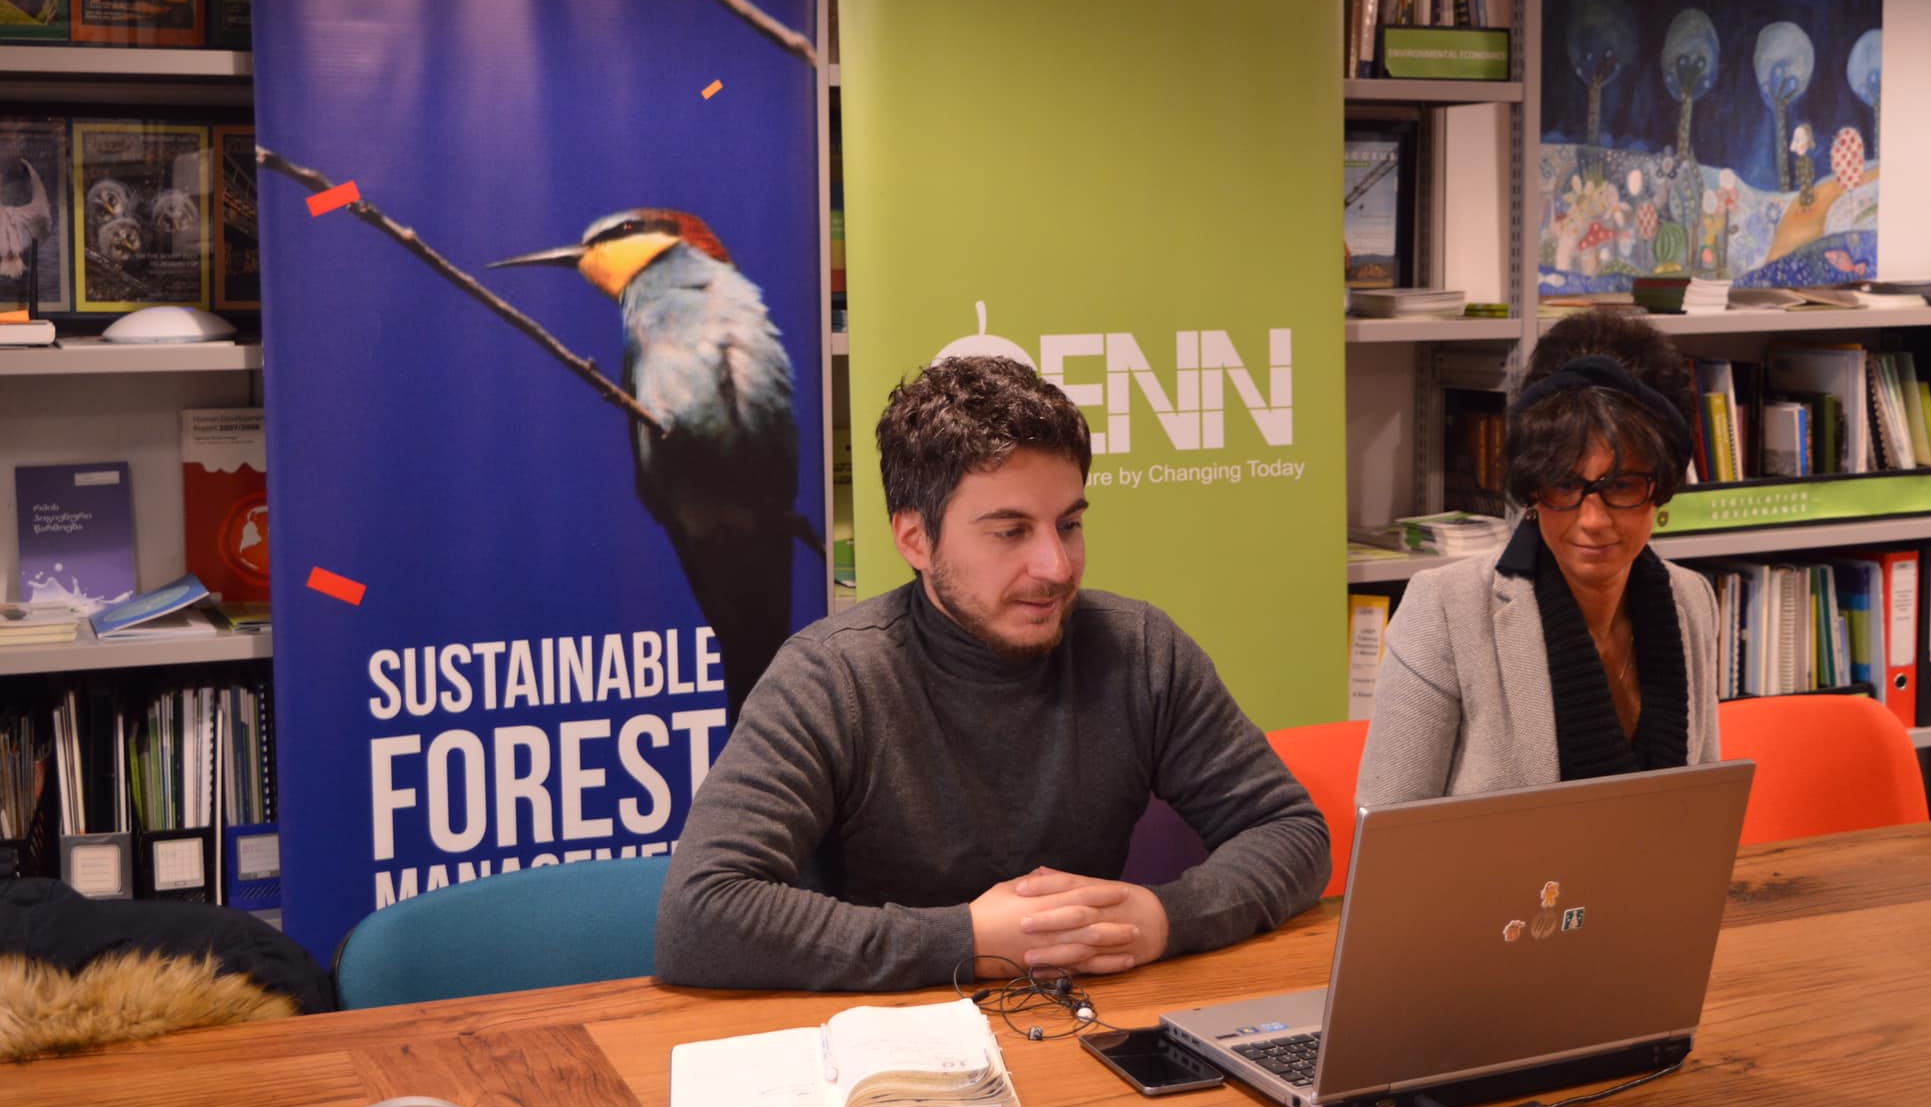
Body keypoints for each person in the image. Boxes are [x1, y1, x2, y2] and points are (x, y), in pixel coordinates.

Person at [656, 354, 1329, 991]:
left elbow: (1292, 831)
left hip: (1084, 1018)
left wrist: (1165, 917)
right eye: (1010, 532)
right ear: (915, 539)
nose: (1056, 567)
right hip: (887, 1037)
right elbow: (701, 915)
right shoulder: (829, 679)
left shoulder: (1141, 650)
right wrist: (970, 940)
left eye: (1069, 525)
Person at [1356, 310, 1720, 807]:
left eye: (1622, 485)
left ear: (1663, 487)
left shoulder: (1691, 600)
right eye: (1565, 484)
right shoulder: (1444, 610)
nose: (1592, 519)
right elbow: (1389, 830)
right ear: (1532, 485)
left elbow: (1700, 809)